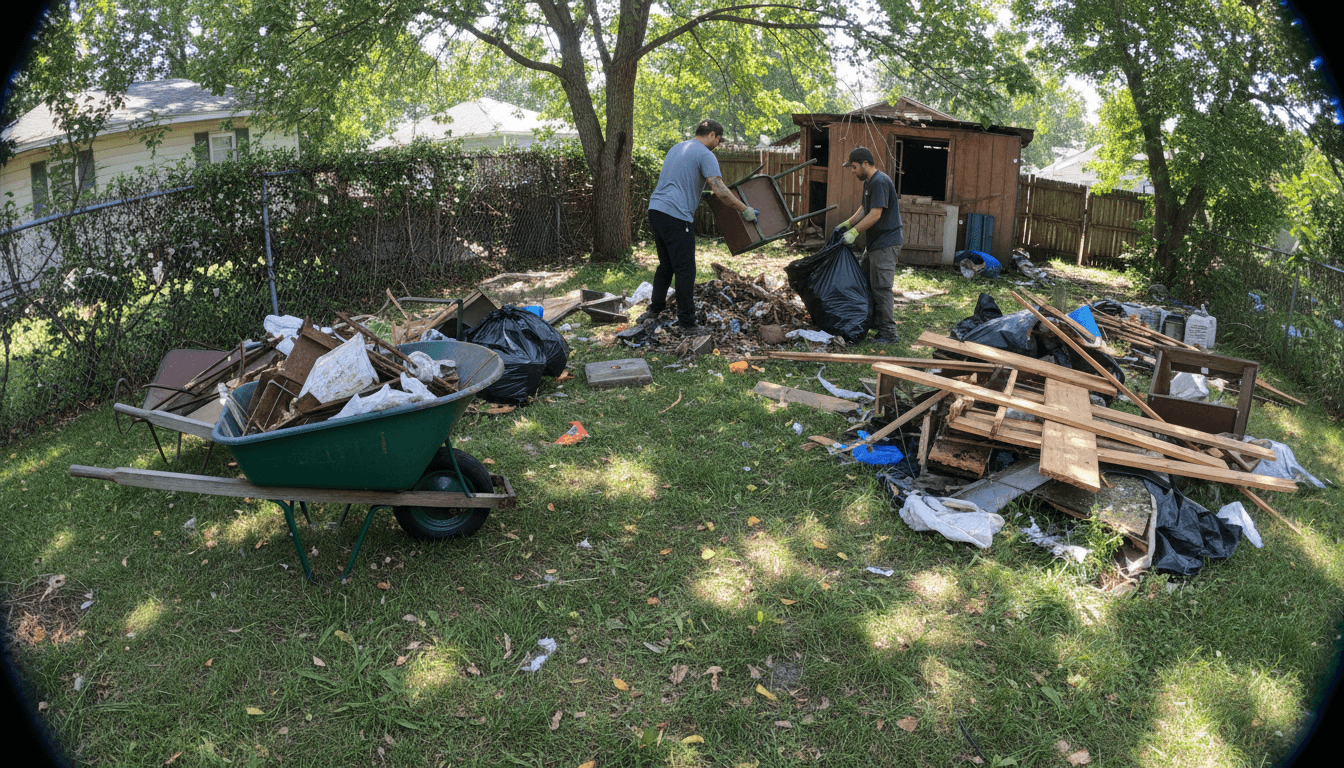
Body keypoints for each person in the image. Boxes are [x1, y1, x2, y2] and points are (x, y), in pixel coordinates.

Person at [643, 119, 757, 332]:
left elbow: (678, 182)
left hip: (656, 210)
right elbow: (721, 190)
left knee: (666, 266)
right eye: (719, 140)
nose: (718, 144)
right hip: (676, 215)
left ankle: (654, 310)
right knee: (685, 271)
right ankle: (687, 324)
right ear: (713, 134)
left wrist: (700, 193)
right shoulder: (706, 154)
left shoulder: (677, 148)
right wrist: (745, 209)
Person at [834, 146, 902, 344]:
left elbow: (876, 213)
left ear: (865, 164)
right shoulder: (869, 182)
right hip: (875, 243)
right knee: (866, 281)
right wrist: (847, 224)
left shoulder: (880, 182)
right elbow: (865, 208)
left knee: (881, 287)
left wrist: (854, 232)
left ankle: (889, 333)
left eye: (854, 167)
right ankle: (874, 323)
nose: (853, 171)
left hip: (886, 243)